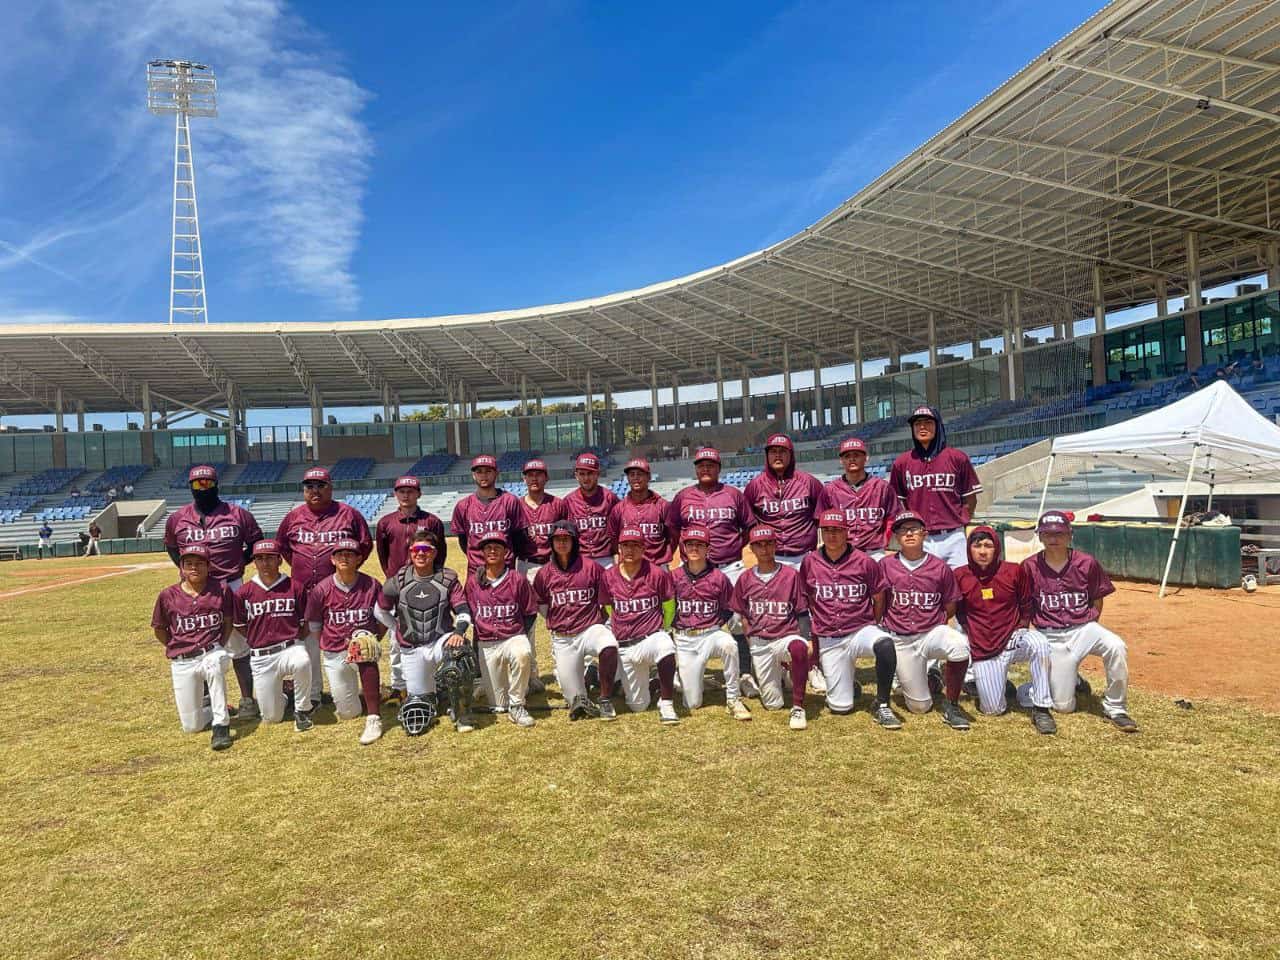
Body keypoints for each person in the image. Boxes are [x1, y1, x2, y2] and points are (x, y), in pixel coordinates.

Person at [1021, 511, 1138, 732]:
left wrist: (1091, 624)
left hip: (1083, 628)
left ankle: (1116, 708)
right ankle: (1070, 680)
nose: (1054, 539)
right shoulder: (1029, 566)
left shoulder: (1087, 563)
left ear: (1070, 535)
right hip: (1050, 634)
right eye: (1048, 534)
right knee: (1064, 706)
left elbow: (1097, 597)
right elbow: (1025, 604)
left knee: (1116, 646)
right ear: (1040, 536)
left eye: (1059, 534)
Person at [164, 464, 265, 719]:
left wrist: (239, 563)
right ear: (190, 487)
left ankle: (247, 700)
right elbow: (173, 548)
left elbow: (255, 543)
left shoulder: (238, 514)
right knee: (200, 642)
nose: (203, 488)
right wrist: (190, 573)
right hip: (195, 589)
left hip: (231, 585)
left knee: (239, 645)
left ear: (216, 484)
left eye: (207, 483)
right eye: (198, 484)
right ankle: (209, 702)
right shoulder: (177, 519)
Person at [276, 466, 374, 708]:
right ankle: (313, 694)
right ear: (303, 490)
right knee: (307, 644)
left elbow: (364, 545)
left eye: (321, 486)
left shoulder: (348, 514)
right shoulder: (293, 516)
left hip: (337, 591)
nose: (315, 491)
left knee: (341, 638)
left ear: (331, 488)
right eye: (309, 486)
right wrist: (299, 567)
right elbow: (283, 547)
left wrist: (347, 572)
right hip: (303, 591)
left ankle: (349, 688)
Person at [666, 446, 758, 697]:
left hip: (729, 566)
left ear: (719, 468)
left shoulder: (734, 495)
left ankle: (745, 673)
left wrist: (736, 546)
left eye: (710, 465)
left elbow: (749, 526)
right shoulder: (684, 496)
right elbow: (674, 529)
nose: (705, 468)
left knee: (738, 621)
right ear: (695, 469)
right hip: (693, 570)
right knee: (686, 615)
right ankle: (687, 668)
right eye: (701, 465)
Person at [800, 511, 901, 729]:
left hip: (859, 630)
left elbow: (878, 597)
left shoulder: (864, 561)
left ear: (847, 532)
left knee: (885, 644)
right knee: (840, 708)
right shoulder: (809, 562)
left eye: (837, 530)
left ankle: (882, 703)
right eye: (826, 530)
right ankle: (849, 683)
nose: (832, 535)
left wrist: (873, 624)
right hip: (830, 637)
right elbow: (807, 598)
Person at [743, 432, 826, 694]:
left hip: (803, 556)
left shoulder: (809, 483)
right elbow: (749, 522)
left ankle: (812, 665)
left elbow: (821, 517)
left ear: (791, 455)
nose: (777, 455)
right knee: (776, 613)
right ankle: (781, 665)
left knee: (810, 613)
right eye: (772, 451)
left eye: (783, 451)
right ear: (766, 456)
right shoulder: (755, 486)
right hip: (773, 559)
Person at [953, 526, 1056, 734]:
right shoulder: (960, 575)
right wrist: (972, 633)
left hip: (1013, 639)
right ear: (969, 549)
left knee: (1040, 643)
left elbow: (1026, 602)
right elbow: (960, 613)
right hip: (985, 647)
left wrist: (1021, 627)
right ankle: (1005, 686)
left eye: (988, 546)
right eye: (977, 545)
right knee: (992, 710)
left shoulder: (1014, 570)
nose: (983, 551)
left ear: (996, 548)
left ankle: (1041, 707)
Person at [375, 529, 478, 734]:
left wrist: (458, 632)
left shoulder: (447, 578)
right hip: (412, 647)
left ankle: (462, 712)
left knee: (460, 653)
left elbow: (463, 610)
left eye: (426, 549)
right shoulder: (398, 580)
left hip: (441, 640)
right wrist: (397, 628)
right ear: (410, 552)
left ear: (434, 552)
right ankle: (438, 693)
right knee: (421, 701)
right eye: (416, 549)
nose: (421, 554)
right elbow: (380, 610)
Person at [877, 512, 971, 730]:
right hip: (901, 638)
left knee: (960, 646)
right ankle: (929, 679)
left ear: (925, 534)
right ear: (896, 536)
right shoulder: (885, 565)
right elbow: (880, 600)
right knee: (920, 707)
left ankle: (952, 704)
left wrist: (938, 624)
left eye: (914, 529)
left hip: (930, 632)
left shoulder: (940, 567)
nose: (909, 533)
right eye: (902, 530)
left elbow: (950, 606)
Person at [531, 521, 620, 720]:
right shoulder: (544, 574)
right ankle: (590, 674)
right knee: (576, 701)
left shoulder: (591, 567)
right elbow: (542, 604)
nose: (561, 543)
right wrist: (557, 620)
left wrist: (600, 620)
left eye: (566, 539)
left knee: (608, 644)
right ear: (551, 543)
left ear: (574, 541)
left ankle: (605, 699)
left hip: (589, 629)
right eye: (557, 539)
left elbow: (607, 596)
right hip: (563, 638)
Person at [150, 543, 235, 750]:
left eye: (199, 564)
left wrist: (218, 645)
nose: (194, 568)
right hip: (183, 660)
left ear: (208, 566)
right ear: (181, 568)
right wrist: (177, 646)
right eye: (189, 564)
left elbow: (228, 621)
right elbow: (160, 629)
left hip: (212, 651)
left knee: (214, 664)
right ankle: (212, 708)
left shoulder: (221, 589)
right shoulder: (167, 595)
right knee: (192, 726)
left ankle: (221, 726)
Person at [303, 538, 386, 745]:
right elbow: (314, 624)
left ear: (359, 558)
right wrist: (327, 643)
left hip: (361, 649)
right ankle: (369, 694)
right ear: (332, 559)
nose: (345, 557)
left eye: (350, 554)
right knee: (348, 713)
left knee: (364, 648)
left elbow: (384, 616)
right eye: (340, 554)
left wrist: (373, 638)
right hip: (335, 651)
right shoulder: (321, 589)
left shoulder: (372, 584)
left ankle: (374, 716)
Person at [730, 525, 811, 731]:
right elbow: (744, 615)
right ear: (752, 549)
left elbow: (802, 611)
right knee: (773, 705)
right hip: (760, 643)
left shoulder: (791, 575)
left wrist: (806, 639)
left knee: (798, 648)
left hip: (785, 637)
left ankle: (798, 706)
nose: (764, 549)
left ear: (775, 545)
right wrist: (750, 639)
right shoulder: (745, 578)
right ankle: (783, 671)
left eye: (768, 543)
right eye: (759, 545)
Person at [374, 474, 446, 704]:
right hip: (399, 587)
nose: (406, 495)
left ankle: (431, 680)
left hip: (426, 584)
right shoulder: (386, 522)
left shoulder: (432, 521)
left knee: (429, 632)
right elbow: (383, 555)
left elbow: (440, 552)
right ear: (395, 494)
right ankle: (398, 685)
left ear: (419, 494)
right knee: (398, 638)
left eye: (411, 491)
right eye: (401, 491)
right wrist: (393, 578)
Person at [232, 539, 314, 731]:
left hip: (290, 647)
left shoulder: (295, 587)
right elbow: (240, 625)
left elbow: (306, 622)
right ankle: (285, 697)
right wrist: (257, 637)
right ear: (254, 562)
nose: (265, 563)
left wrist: (296, 639)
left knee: (302, 661)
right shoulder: (244, 592)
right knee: (271, 717)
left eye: (270, 558)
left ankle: (302, 710)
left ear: (280, 560)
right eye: (259, 559)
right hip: (262, 656)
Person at [670, 525, 750, 720]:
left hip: (711, 633)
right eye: (690, 544)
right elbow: (667, 608)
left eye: (699, 545)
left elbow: (729, 607)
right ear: (684, 548)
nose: (694, 549)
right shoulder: (673, 577)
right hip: (685, 638)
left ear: (708, 549)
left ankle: (733, 698)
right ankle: (696, 679)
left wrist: (715, 623)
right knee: (693, 703)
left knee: (729, 644)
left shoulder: (719, 577)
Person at [602, 526, 680, 723]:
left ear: (643, 548)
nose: (630, 550)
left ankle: (667, 702)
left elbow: (669, 605)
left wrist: (664, 628)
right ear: (619, 548)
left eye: (635, 545)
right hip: (625, 646)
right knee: (638, 706)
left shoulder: (656, 573)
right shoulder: (608, 576)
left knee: (665, 645)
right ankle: (655, 683)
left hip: (649, 638)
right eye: (625, 545)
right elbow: (609, 607)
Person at [889, 406, 982, 568]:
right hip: (921, 537)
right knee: (924, 587)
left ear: (938, 425)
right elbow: (898, 503)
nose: (922, 427)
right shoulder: (902, 463)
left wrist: (962, 520)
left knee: (959, 585)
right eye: (917, 424)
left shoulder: (957, 458)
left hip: (953, 536)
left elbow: (970, 498)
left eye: (927, 422)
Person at [463, 531, 537, 728]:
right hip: (487, 643)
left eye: (498, 547)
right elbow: (468, 614)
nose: (493, 550)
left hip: (512, 636)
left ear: (506, 552)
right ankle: (514, 691)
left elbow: (529, 612)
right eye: (488, 547)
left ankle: (518, 704)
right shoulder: (473, 582)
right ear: (482, 552)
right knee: (498, 704)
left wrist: (522, 637)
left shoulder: (517, 579)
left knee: (522, 653)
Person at [515, 457, 565, 695]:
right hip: (525, 565)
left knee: (558, 618)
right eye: (530, 475)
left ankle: (562, 668)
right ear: (524, 478)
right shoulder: (515, 506)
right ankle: (531, 673)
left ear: (546, 477)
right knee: (527, 622)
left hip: (551, 565)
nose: (534, 478)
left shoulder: (557, 504)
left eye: (539, 474)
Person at [816, 437, 898, 561]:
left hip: (875, 552)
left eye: (856, 455)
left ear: (866, 458)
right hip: (842, 552)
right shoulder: (830, 490)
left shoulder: (882, 487)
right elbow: (821, 521)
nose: (852, 459)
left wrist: (886, 540)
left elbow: (892, 518)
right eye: (847, 456)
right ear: (841, 460)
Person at [450, 454, 528, 578]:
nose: (484, 475)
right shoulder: (463, 506)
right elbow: (463, 541)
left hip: (505, 569)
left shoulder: (510, 501)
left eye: (488, 471)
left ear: (496, 473)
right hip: (476, 570)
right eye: (479, 471)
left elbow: (519, 537)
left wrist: (507, 558)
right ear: (473, 475)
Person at [606, 457, 673, 567]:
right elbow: (613, 538)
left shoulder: (663, 505)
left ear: (649, 477)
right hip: (629, 567)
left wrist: (662, 558)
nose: (636, 478)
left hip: (657, 565)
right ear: (627, 478)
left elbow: (672, 537)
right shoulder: (618, 509)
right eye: (632, 474)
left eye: (640, 474)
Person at [562, 451, 618, 568]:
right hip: (580, 559)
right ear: (576, 475)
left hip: (606, 559)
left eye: (590, 473)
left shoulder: (610, 498)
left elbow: (620, 528)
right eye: (582, 474)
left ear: (597, 474)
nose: (586, 478)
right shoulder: (568, 501)